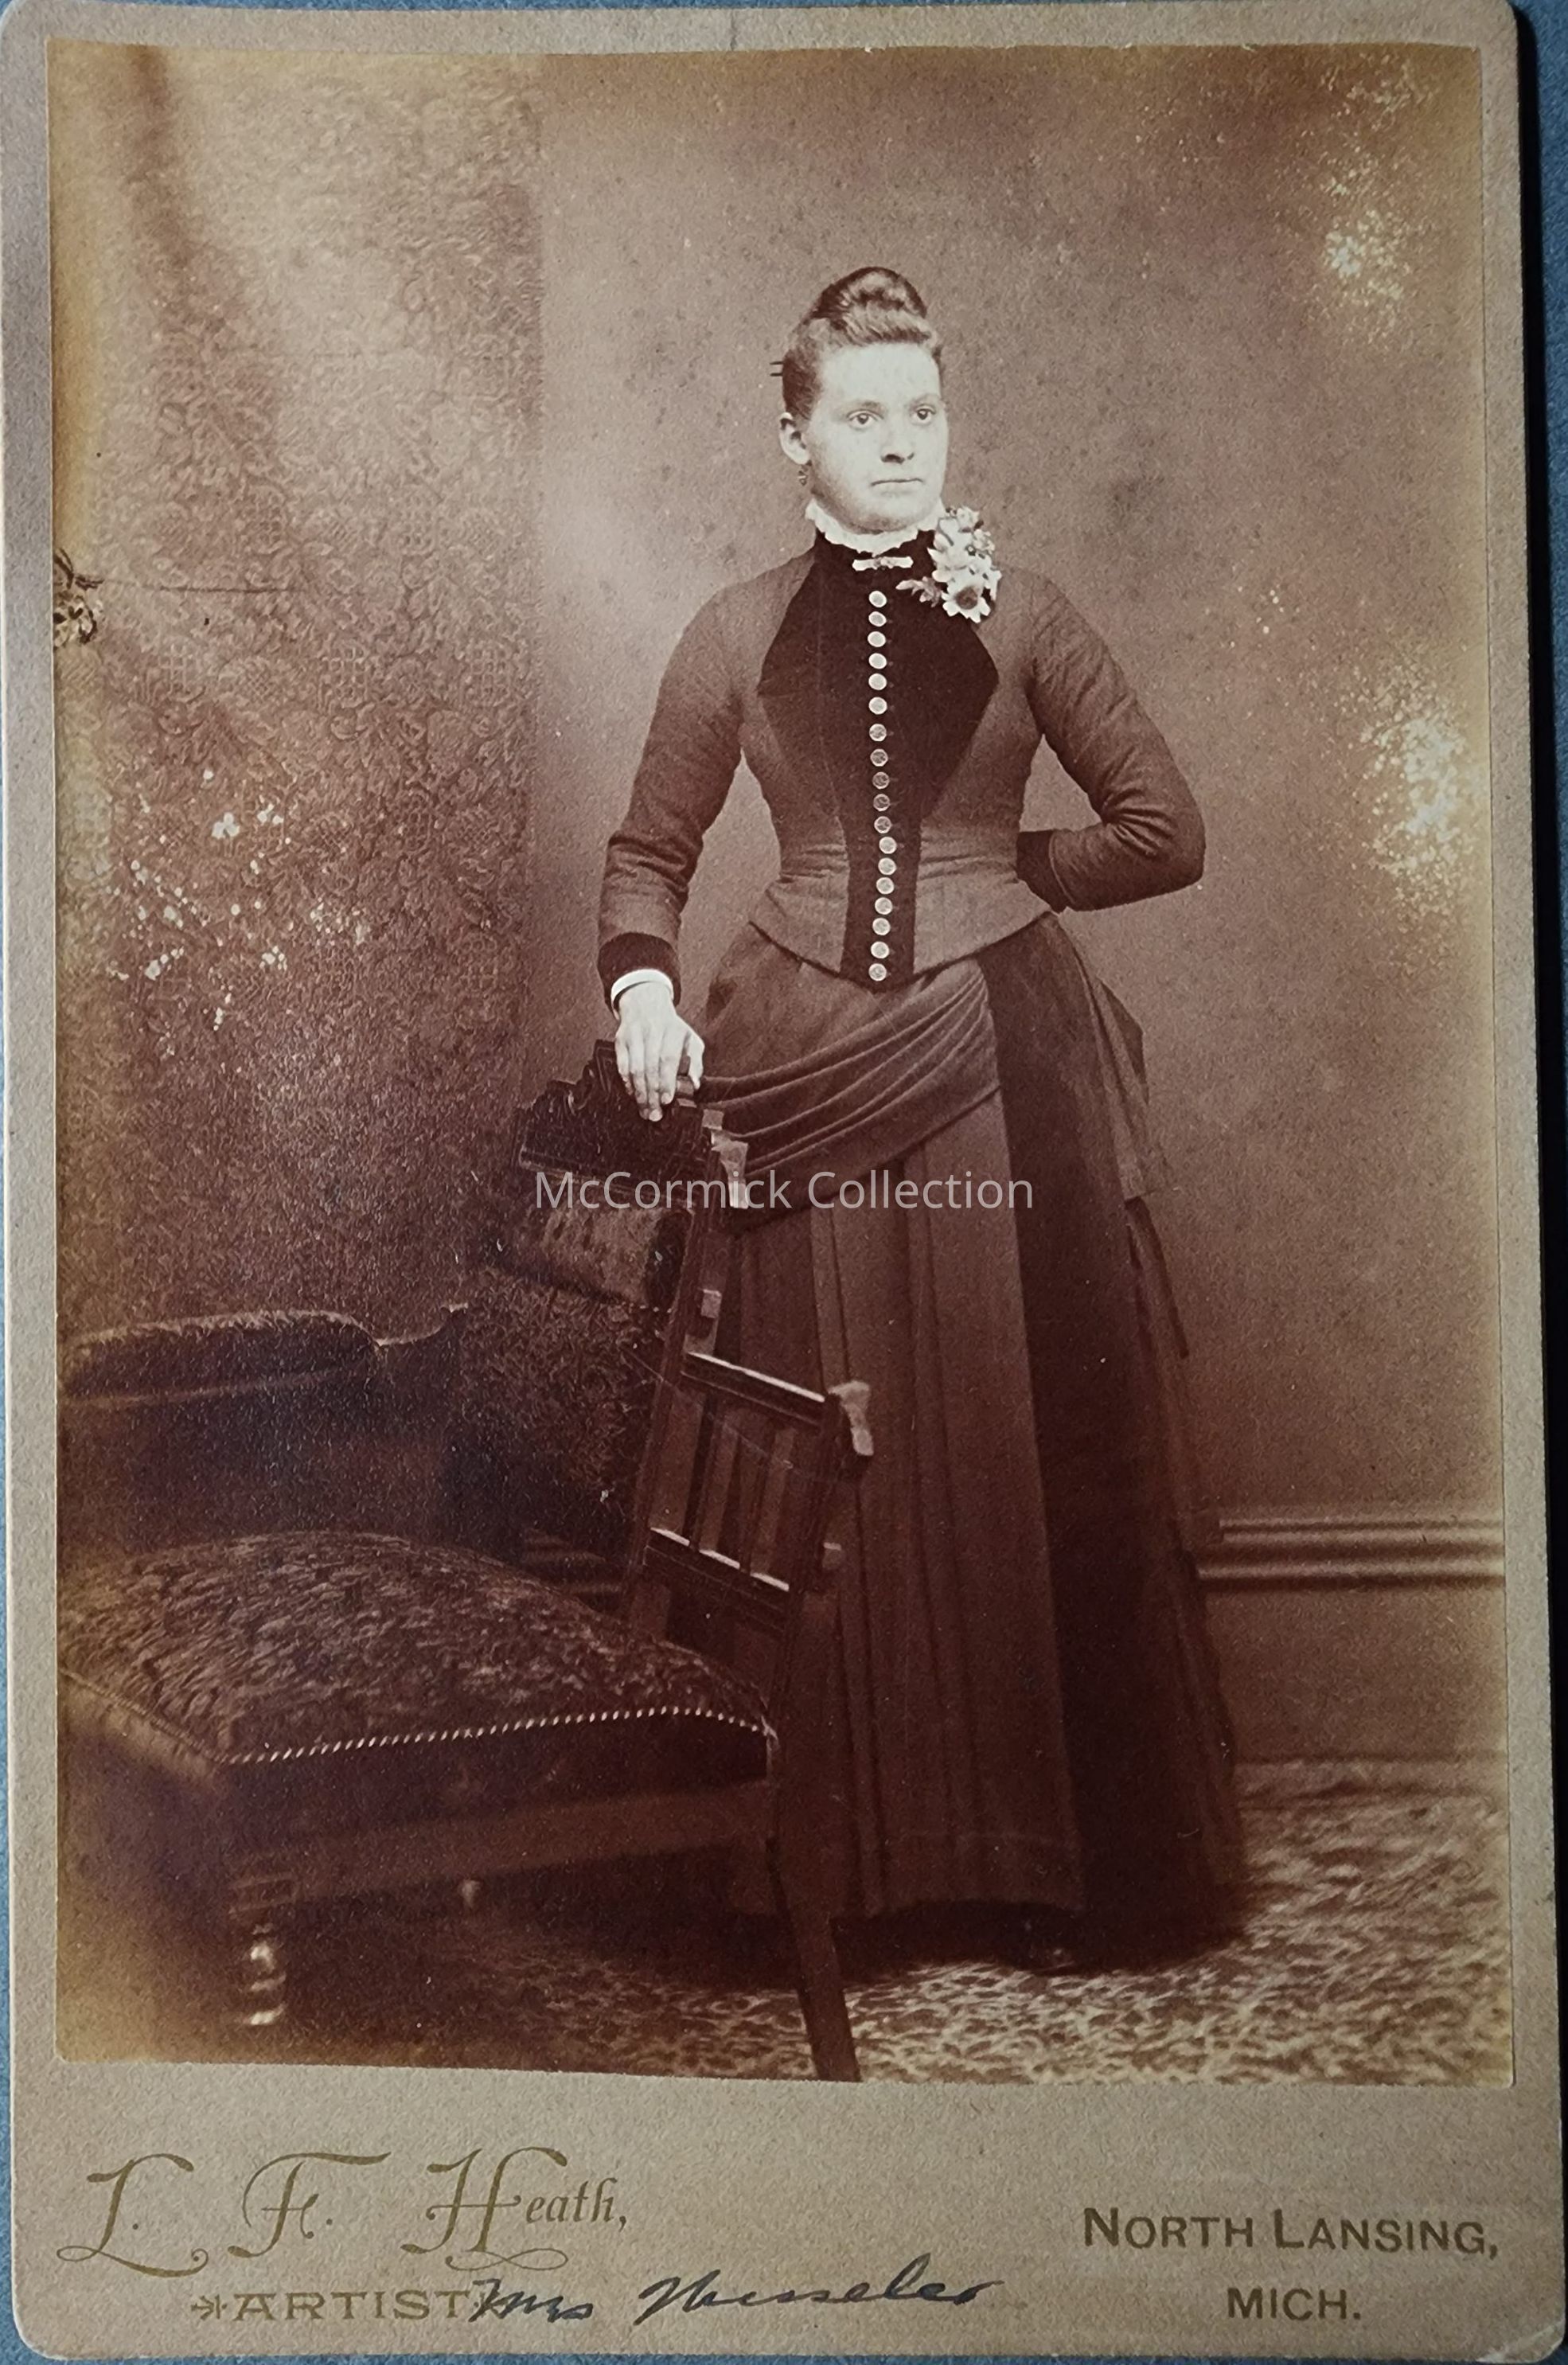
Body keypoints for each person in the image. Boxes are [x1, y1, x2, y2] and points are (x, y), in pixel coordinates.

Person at [599, 267, 1242, 1965]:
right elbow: (649, 851)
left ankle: (1055, 1873)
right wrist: (643, 989)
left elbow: (1163, 829)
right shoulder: (732, 631)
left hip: (1005, 1067)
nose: (901, 444)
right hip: (792, 1060)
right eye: (864, 415)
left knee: (1029, 1443)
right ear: (795, 438)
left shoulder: (1022, 612)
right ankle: (825, 1879)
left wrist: (996, 874)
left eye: (924, 413)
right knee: (820, 1458)